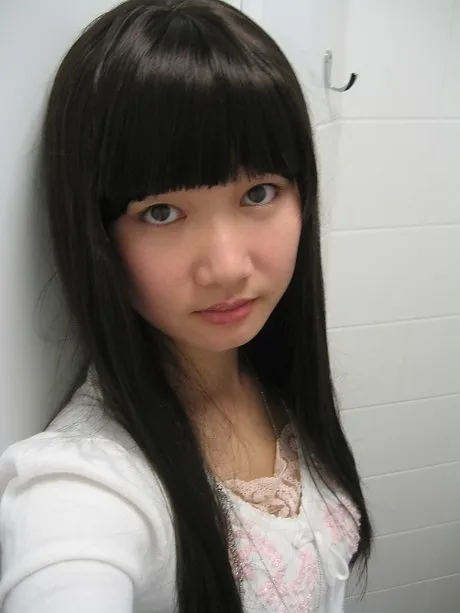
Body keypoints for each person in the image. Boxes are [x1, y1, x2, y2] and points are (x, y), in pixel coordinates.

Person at [0, 1, 372, 611]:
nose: (226, 266)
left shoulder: (273, 373)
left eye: (259, 192)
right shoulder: (84, 485)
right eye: (161, 212)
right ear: (96, 234)